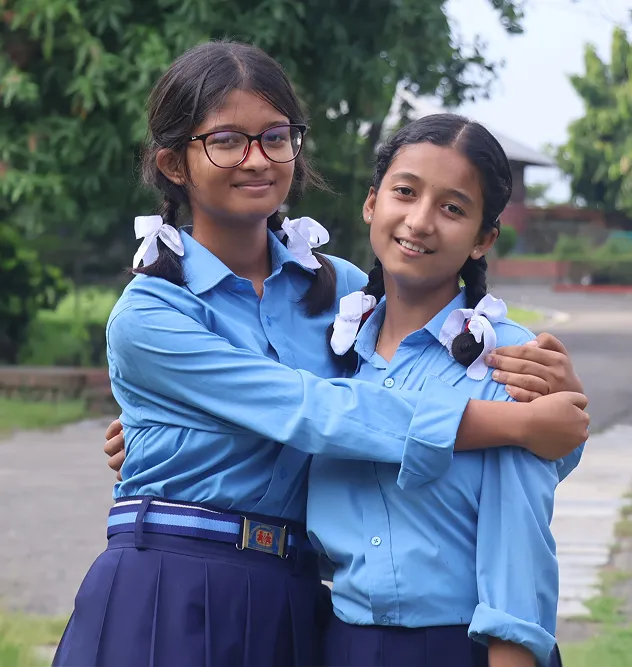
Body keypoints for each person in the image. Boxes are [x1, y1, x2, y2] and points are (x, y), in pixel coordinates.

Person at [58, 40, 588, 667]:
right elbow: (315, 410)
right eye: (226, 141)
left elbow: (487, 439)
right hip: (174, 583)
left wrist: (560, 405)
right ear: (175, 164)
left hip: (296, 595)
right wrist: (520, 422)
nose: (256, 159)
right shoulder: (150, 313)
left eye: (275, 137)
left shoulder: (340, 296)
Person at [308, 113, 572, 667]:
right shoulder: (329, 351)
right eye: (405, 193)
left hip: (458, 647)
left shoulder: (507, 363)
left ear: (483, 239)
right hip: (340, 643)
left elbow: (517, 557)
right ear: (372, 202)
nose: (421, 221)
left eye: (453, 208)